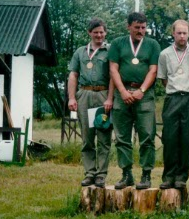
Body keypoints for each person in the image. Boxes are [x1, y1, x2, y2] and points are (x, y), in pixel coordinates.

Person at [108, 12, 161, 189]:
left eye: (143, 27)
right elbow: (113, 69)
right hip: (122, 93)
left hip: (144, 95)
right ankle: (126, 175)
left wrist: (141, 90)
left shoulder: (152, 45)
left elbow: (153, 70)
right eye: (137, 27)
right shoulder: (117, 44)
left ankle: (146, 175)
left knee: (147, 136)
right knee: (122, 137)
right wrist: (122, 91)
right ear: (128, 26)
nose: (140, 31)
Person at [67, 18, 114, 188]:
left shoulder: (110, 51)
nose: (99, 35)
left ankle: (101, 174)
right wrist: (72, 98)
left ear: (105, 32)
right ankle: (89, 173)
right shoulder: (80, 52)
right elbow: (73, 75)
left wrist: (110, 98)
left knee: (103, 137)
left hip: (102, 96)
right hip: (85, 95)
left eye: (101, 32)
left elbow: (113, 76)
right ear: (89, 33)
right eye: (95, 32)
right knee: (87, 137)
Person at [157, 20, 189, 190]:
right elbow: (164, 79)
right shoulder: (164, 54)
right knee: (170, 138)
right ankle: (168, 176)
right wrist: (175, 90)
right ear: (173, 33)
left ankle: (182, 176)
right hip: (173, 98)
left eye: (185, 33)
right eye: (179, 33)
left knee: (186, 139)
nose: (182, 36)